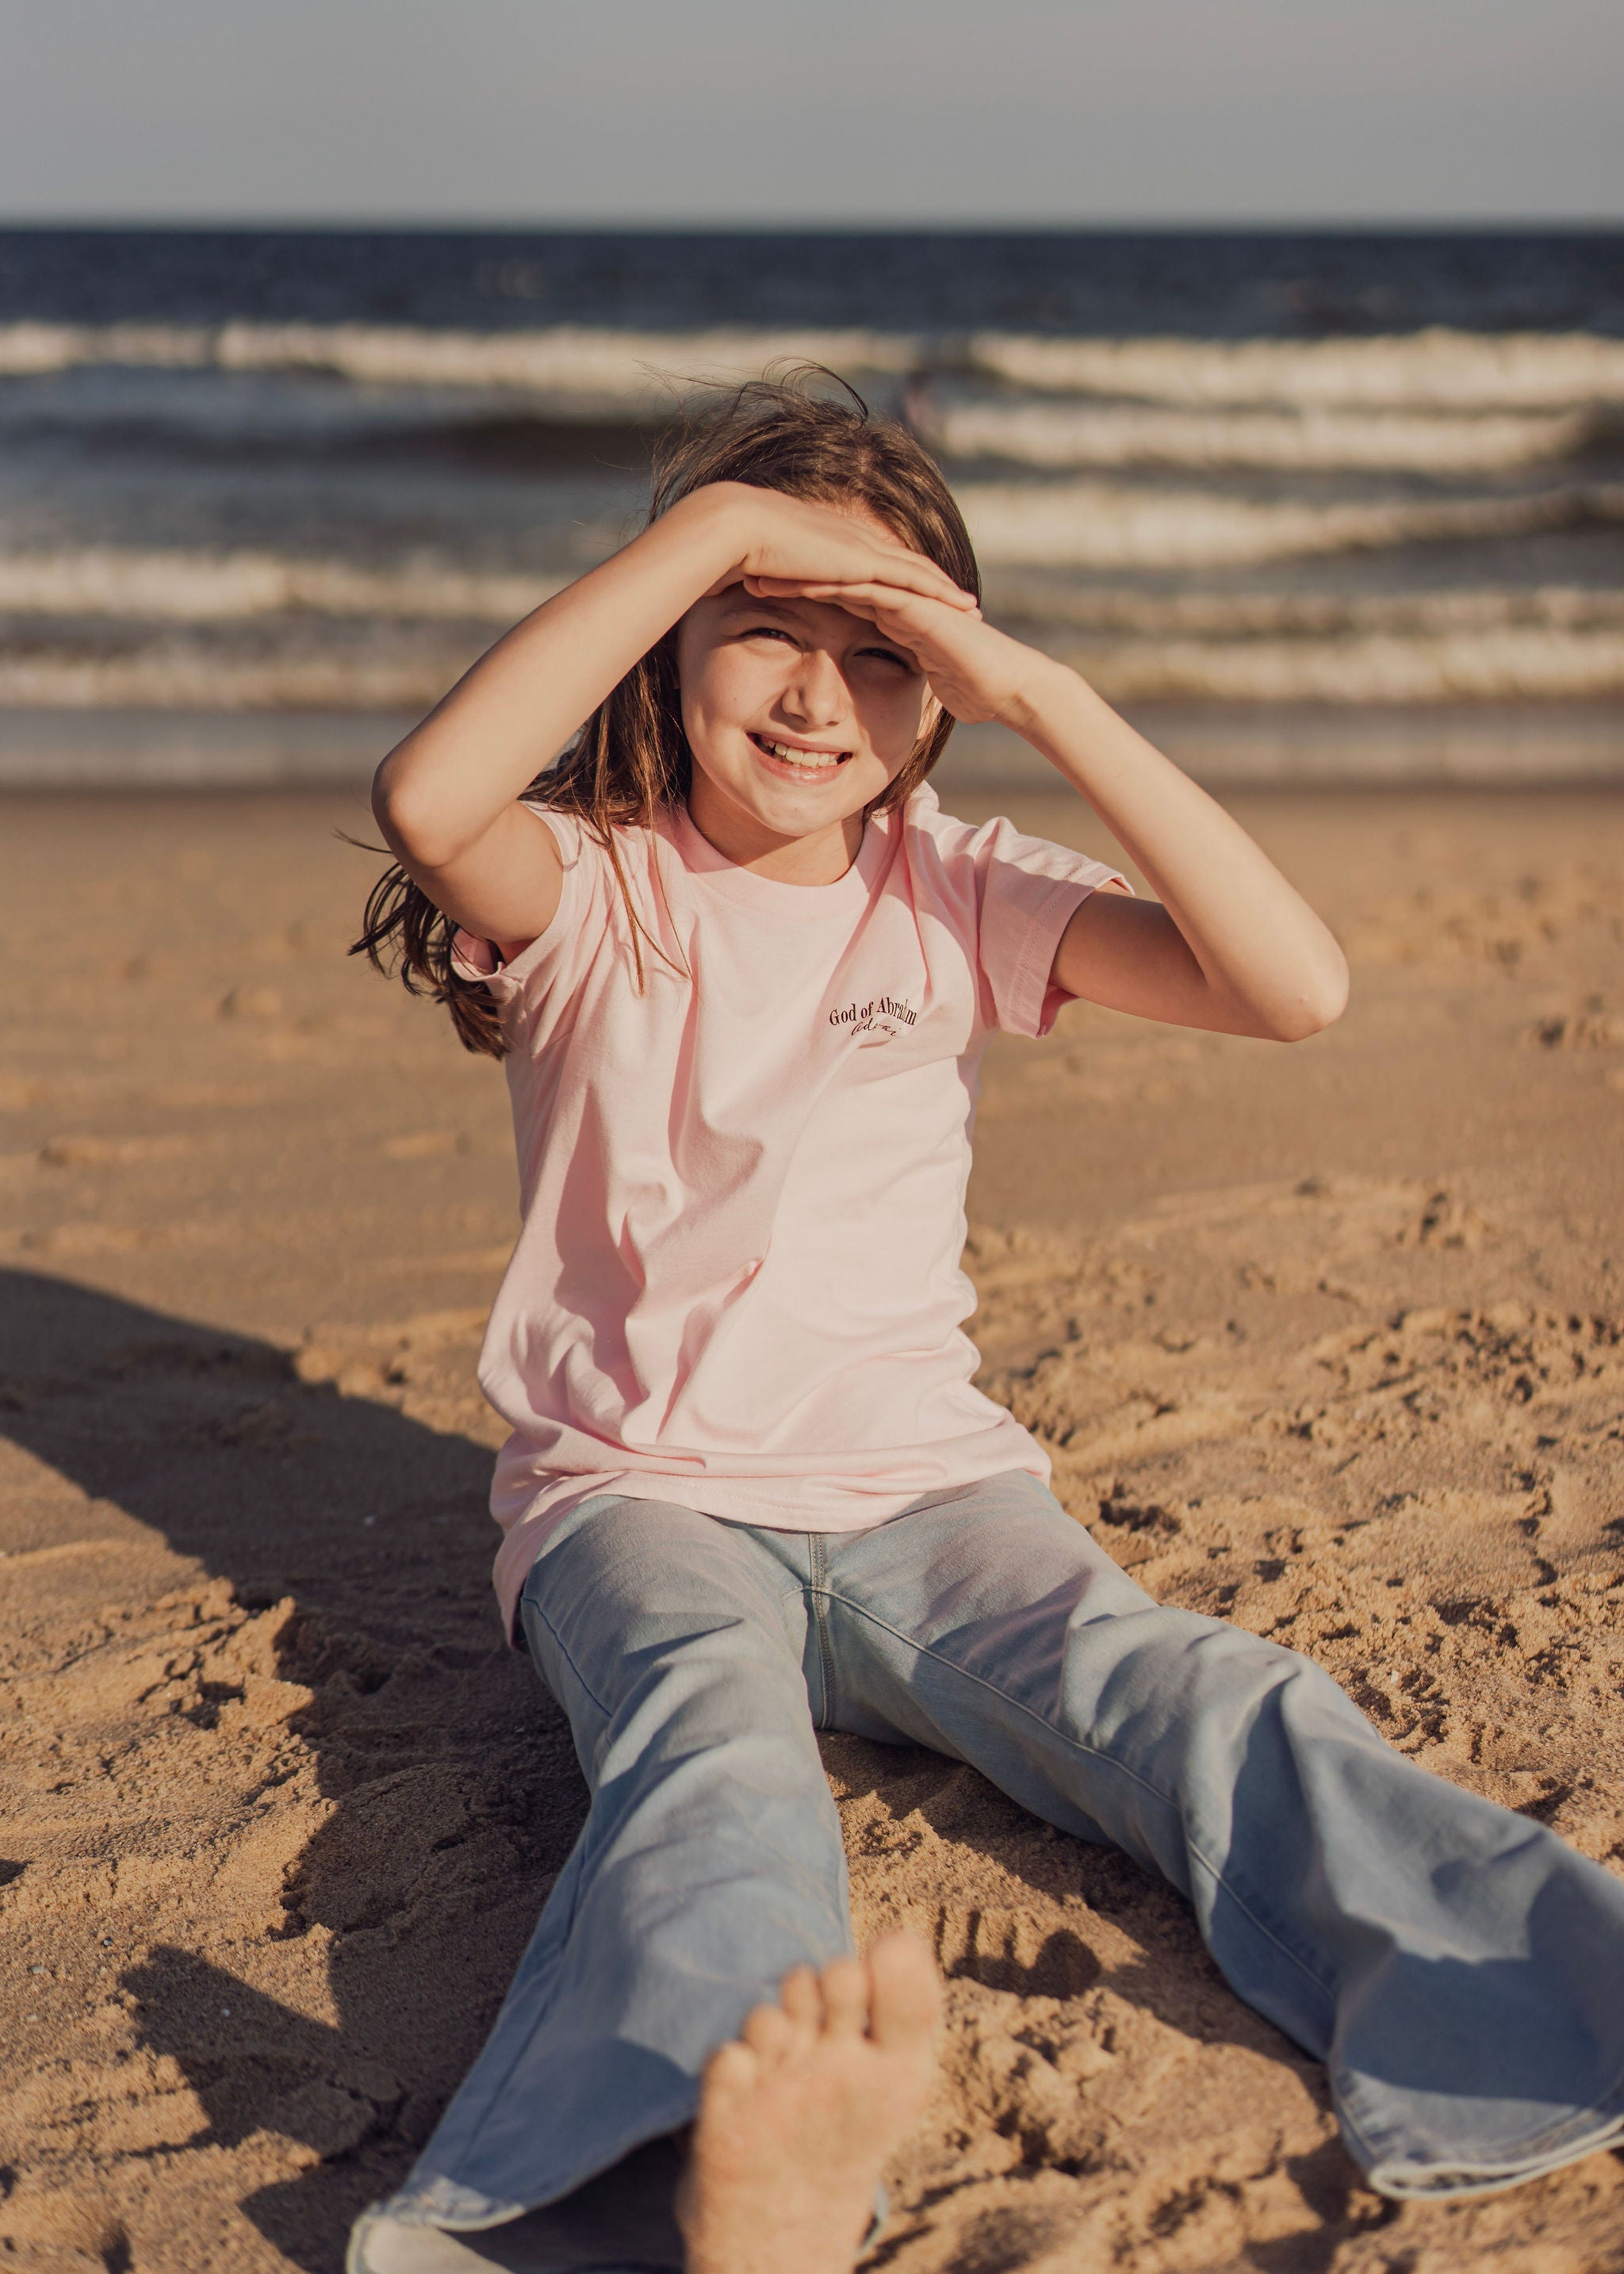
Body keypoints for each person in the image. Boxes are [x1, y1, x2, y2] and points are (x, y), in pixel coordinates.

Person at [346, 378, 1624, 2274]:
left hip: (934, 1499)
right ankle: (687, 2163)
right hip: (641, 1504)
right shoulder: (590, 887)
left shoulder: (962, 888)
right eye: (760, 636)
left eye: (877, 657)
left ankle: (1537, 2000)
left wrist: (1054, 700)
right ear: (668, 648)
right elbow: (426, 797)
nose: (809, 696)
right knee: (719, 1766)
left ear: (940, 694)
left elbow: (1294, 990)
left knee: (1196, 1695)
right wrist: (713, 527)